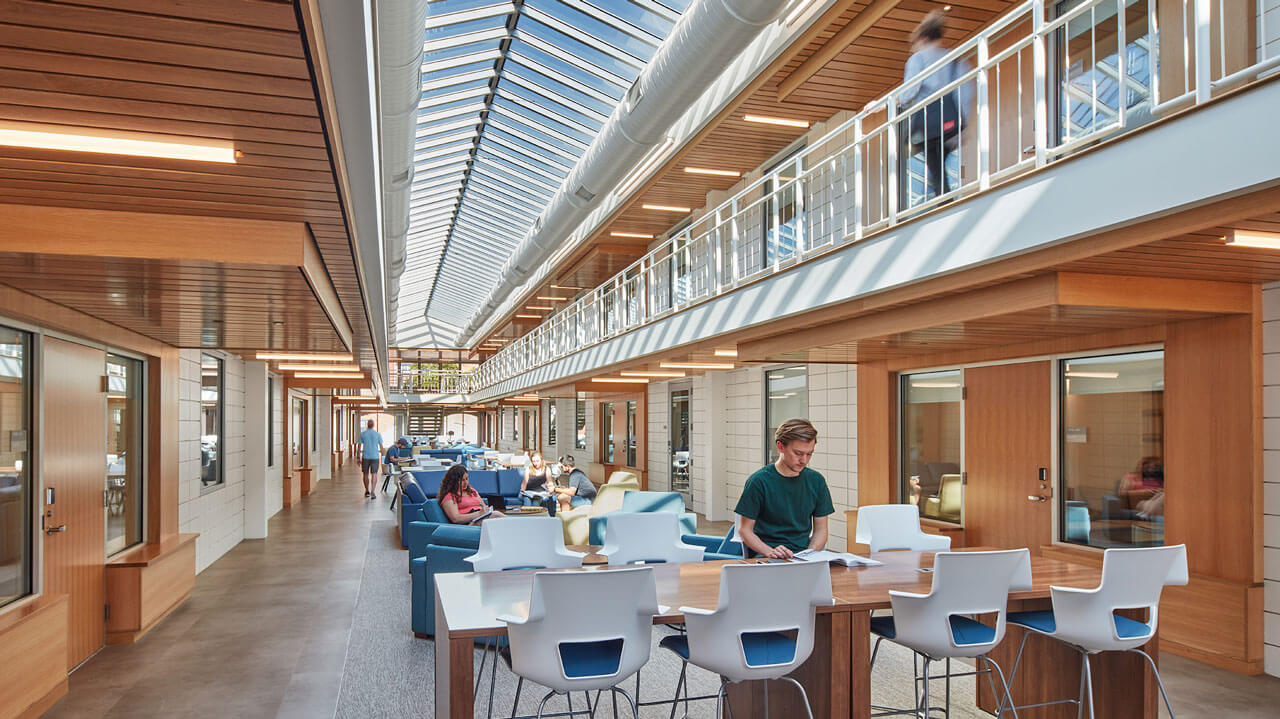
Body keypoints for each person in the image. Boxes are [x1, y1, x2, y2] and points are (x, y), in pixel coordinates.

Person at [899, 10, 972, 205]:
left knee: (932, 162)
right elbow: (965, 95)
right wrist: (963, 126)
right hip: (951, 122)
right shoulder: (956, 60)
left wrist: (899, 100)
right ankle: (943, 198)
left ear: (922, 39)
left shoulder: (919, 59)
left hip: (928, 124)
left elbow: (909, 92)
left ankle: (942, 201)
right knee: (937, 163)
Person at [735, 418, 834, 559]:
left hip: (803, 555)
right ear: (780, 446)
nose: (804, 460)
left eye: (809, 454)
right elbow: (745, 531)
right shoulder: (758, 482)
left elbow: (821, 530)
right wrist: (770, 552)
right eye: (798, 453)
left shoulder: (817, 481)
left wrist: (809, 554)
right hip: (766, 555)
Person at [438, 465, 503, 524]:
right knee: (496, 516)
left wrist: (485, 511)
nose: (466, 482)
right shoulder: (450, 496)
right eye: (462, 480)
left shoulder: (472, 491)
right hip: (469, 523)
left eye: (467, 479)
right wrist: (479, 514)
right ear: (454, 481)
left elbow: (484, 506)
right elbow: (456, 519)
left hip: (481, 518)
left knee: (498, 516)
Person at [358, 420, 384, 500]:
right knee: (374, 474)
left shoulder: (363, 434)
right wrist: (383, 457)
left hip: (365, 456)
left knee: (365, 474)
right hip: (375, 457)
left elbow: (359, 447)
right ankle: (373, 491)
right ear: (373, 425)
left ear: (367, 425)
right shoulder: (377, 434)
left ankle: (367, 491)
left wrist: (358, 457)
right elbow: (381, 447)